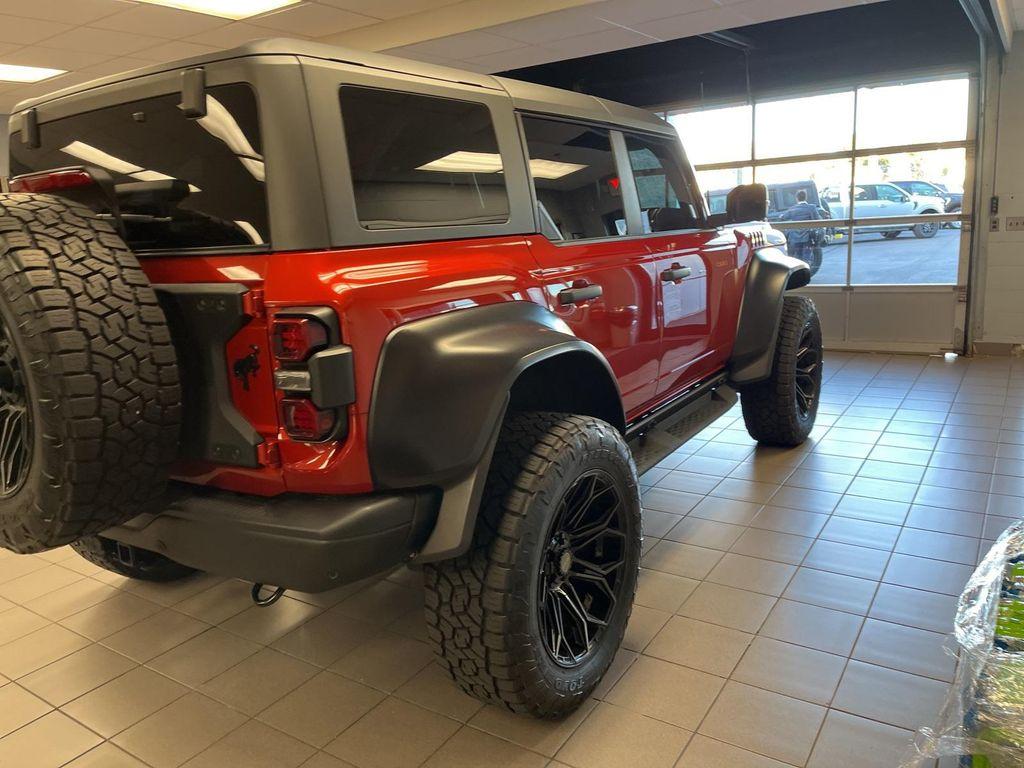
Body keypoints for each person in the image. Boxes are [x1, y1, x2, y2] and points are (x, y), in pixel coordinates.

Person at [784, 189, 823, 273]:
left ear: (797, 198)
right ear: (806, 197)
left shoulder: (792, 208)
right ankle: (806, 273)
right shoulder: (811, 207)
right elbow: (818, 219)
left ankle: (799, 274)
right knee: (806, 257)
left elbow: (783, 217)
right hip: (807, 237)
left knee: (798, 257)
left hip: (795, 237)